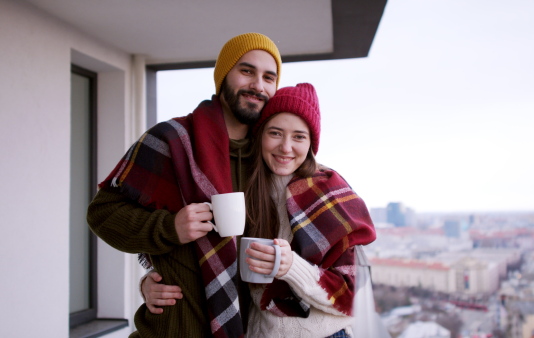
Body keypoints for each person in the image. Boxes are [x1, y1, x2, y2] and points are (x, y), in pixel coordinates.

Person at [87, 32, 282, 338]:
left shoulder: (274, 159)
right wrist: (169, 228)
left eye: (269, 77)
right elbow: (103, 213)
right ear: (223, 77)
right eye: (247, 71)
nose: (258, 85)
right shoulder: (171, 140)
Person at [144, 83, 377, 337]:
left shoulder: (328, 192)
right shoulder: (242, 185)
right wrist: (151, 283)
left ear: (311, 143)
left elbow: (351, 297)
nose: (286, 147)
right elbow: (210, 256)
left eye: (299, 136)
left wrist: (290, 266)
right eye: (275, 133)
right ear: (260, 135)